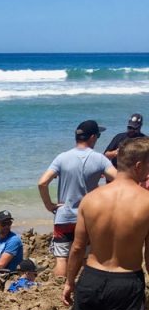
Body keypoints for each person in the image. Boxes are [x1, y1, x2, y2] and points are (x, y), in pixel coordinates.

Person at [62, 137, 149, 310]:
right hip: (126, 281)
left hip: (92, 277)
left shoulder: (91, 199)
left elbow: (77, 248)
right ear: (140, 166)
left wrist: (70, 282)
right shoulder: (147, 202)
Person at [38, 119, 116, 279]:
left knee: (62, 259)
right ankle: (85, 290)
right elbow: (119, 180)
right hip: (87, 219)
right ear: (93, 137)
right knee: (87, 258)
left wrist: (49, 205)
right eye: (99, 136)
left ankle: (58, 293)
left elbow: (42, 183)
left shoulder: (62, 157)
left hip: (63, 217)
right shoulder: (99, 159)